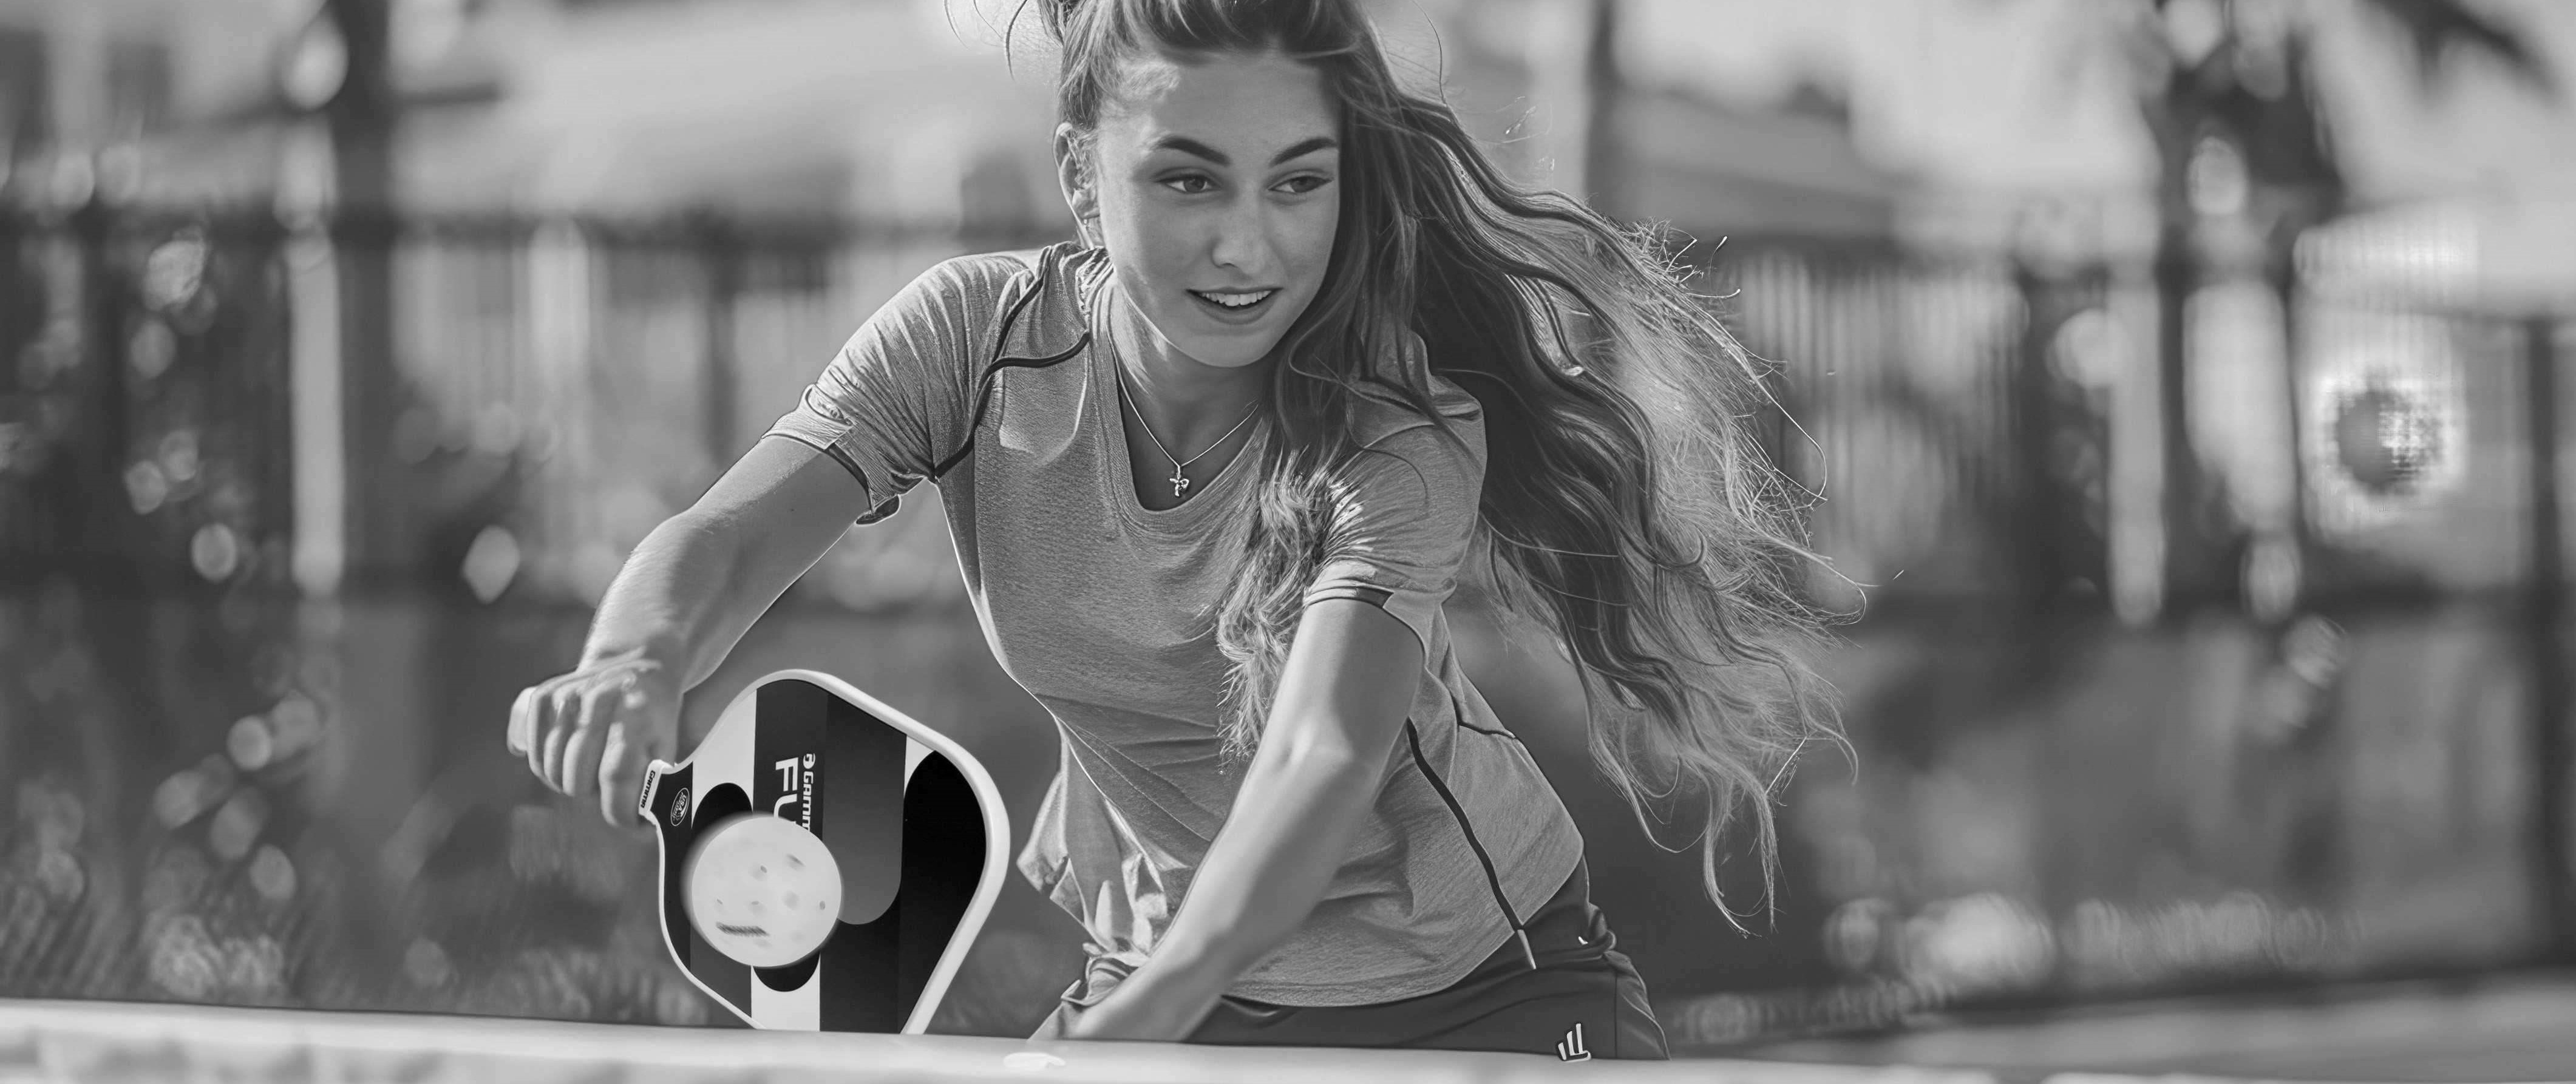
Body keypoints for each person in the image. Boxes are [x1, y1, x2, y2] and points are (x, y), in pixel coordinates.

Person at [505, 0, 1844, 1060]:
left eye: (1296, 183)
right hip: (1160, 985)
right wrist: (633, 661)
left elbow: (1320, 753)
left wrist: (1143, 1021)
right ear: (1084, 180)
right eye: (1189, 181)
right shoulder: (970, 345)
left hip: (1479, 992)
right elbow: (728, 538)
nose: (1248, 247)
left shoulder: (1395, 425)